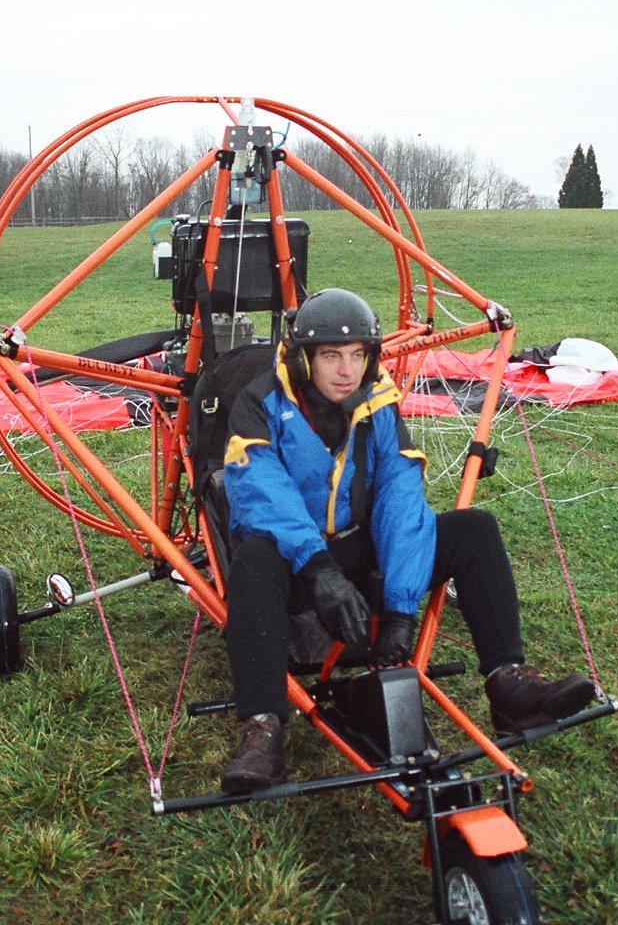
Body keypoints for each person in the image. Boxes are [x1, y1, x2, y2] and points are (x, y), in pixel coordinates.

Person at [217, 288, 597, 793]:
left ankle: (507, 684)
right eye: (331, 355)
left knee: (473, 530)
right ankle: (262, 727)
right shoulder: (262, 402)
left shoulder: (378, 402)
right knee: (255, 560)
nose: (346, 370)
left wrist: (399, 610)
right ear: (305, 357)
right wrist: (319, 570)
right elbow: (262, 491)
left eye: (358, 356)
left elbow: (399, 496)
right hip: (293, 562)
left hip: (356, 546)